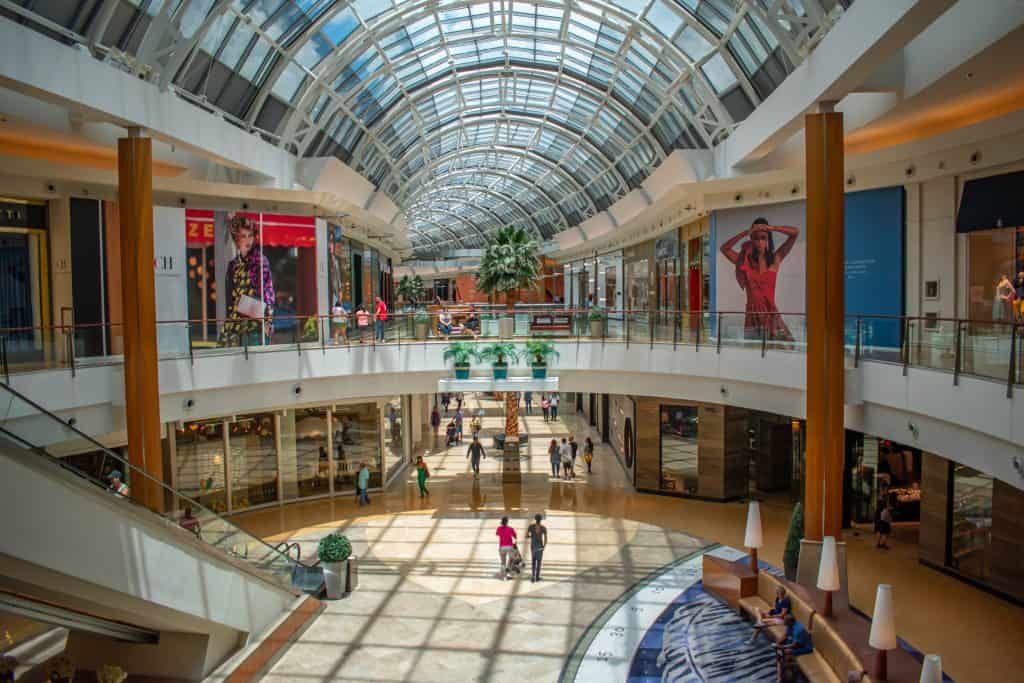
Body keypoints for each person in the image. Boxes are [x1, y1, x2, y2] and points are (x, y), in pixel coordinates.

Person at [719, 218, 799, 341]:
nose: (759, 242)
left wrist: (772, 228)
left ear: (768, 240)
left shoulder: (775, 259)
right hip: (752, 316)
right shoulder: (744, 262)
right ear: (751, 240)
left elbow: (795, 233)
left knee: (786, 349)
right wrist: (746, 232)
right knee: (753, 354)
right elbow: (724, 249)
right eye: (756, 238)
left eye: (763, 238)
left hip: (770, 314)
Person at [219, 214, 275, 347]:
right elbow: (230, 302)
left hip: (255, 329)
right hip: (233, 328)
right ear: (236, 240)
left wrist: (244, 305)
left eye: (250, 235)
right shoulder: (233, 265)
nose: (248, 240)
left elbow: (269, 301)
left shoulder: (261, 262)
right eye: (243, 236)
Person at [774, 613, 813, 681]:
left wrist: (782, 647)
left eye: (785, 621)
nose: (784, 622)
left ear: (790, 622)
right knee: (780, 655)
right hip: (795, 643)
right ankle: (779, 676)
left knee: (786, 653)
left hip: (805, 647)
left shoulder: (799, 630)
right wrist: (777, 643)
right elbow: (785, 635)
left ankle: (794, 666)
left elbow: (795, 645)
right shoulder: (790, 624)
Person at [526, 513, 547, 583]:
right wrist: (544, 546)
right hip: (540, 546)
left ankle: (533, 576)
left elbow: (526, 536)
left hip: (533, 546)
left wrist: (531, 536)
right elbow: (546, 538)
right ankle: (537, 577)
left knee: (533, 561)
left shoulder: (531, 526)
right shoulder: (543, 528)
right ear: (541, 520)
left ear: (535, 519)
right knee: (539, 562)